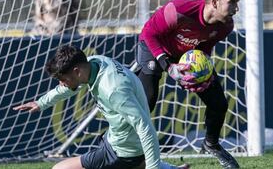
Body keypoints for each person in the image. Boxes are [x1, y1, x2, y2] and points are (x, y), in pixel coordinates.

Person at [13, 45, 189, 169]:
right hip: (115, 139)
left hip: (122, 151)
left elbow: (145, 128)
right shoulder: (95, 62)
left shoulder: (112, 90)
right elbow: (69, 88)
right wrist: (41, 103)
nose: (61, 83)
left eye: (63, 78)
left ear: (76, 71)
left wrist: (153, 167)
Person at [134, 0, 242, 169]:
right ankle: (114, 146)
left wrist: (203, 70)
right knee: (146, 101)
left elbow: (204, 46)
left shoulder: (226, 26)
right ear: (215, 2)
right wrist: (168, 65)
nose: (237, 8)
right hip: (154, 47)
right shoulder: (180, 9)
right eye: (232, 2)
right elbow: (150, 34)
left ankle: (211, 144)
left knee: (218, 103)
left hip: (185, 55)